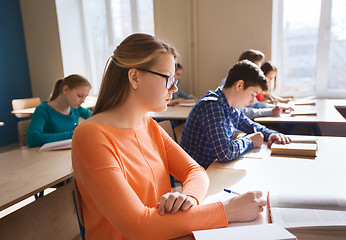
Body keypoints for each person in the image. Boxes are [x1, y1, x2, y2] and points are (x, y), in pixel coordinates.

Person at [71, 33, 266, 240]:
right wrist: (227, 211)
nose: (174, 88)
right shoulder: (90, 136)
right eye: (168, 79)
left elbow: (195, 171)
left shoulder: (148, 125)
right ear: (134, 77)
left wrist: (187, 198)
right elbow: (139, 226)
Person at [181, 60, 291, 170]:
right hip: (197, 174)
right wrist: (250, 141)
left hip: (213, 169)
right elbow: (225, 152)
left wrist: (271, 134)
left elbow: (250, 126)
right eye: (252, 94)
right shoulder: (212, 106)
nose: (252, 101)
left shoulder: (232, 107)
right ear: (239, 85)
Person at [26, 75, 92, 147]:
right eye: (80, 96)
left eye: (85, 97)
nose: (83, 101)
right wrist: (75, 134)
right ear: (65, 90)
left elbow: (97, 118)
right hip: (47, 156)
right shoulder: (43, 110)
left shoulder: (77, 109)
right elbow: (32, 139)